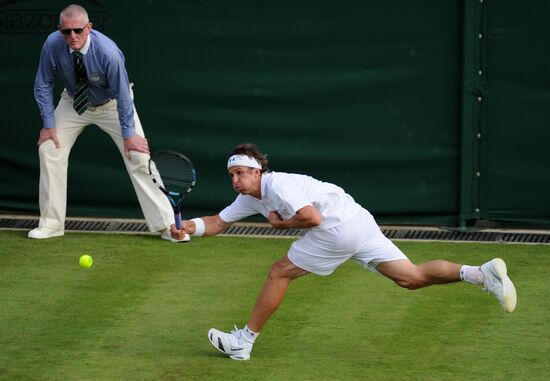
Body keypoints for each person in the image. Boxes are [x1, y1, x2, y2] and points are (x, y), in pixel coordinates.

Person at [173, 143, 517, 361]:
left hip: (336, 228)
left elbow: (311, 217)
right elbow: (218, 222)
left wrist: (281, 225)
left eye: (240, 173)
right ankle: (479, 273)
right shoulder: (249, 197)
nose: (235, 180)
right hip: (358, 220)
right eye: (231, 174)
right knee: (409, 278)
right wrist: (186, 227)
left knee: (279, 272)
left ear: (257, 170)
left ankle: (243, 342)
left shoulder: (278, 184)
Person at [30, 4, 187, 242]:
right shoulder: (52, 44)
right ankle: (51, 224)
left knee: (138, 156)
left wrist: (128, 134)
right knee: (49, 148)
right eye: (66, 31)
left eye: (78, 30)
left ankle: (168, 227)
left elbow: (123, 96)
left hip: (113, 105)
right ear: (59, 30)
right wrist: (48, 124)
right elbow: (43, 83)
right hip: (73, 102)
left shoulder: (108, 53)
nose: (72, 36)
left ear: (89, 28)